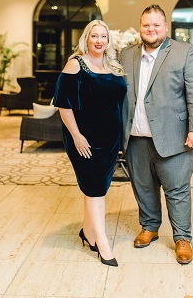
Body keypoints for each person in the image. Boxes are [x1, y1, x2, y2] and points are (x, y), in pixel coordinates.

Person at [119, 4, 193, 265]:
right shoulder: (127, 55)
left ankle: (182, 238)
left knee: (177, 190)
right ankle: (149, 227)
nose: (151, 29)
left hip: (174, 138)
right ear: (140, 27)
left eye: (156, 25)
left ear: (166, 27)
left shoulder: (184, 52)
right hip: (135, 138)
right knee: (143, 188)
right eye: (146, 24)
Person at [52, 19, 127, 267]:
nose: (99, 41)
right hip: (85, 138)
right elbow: (63, 103)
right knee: (95, 189)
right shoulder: (76, 64)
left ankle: (88, 232)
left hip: (109, 139)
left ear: (108, 40)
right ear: (86, 38)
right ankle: (102, 242)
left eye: (103, 37)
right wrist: (77, 136)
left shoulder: (113, 66)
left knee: (97, 187)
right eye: (94, 36)